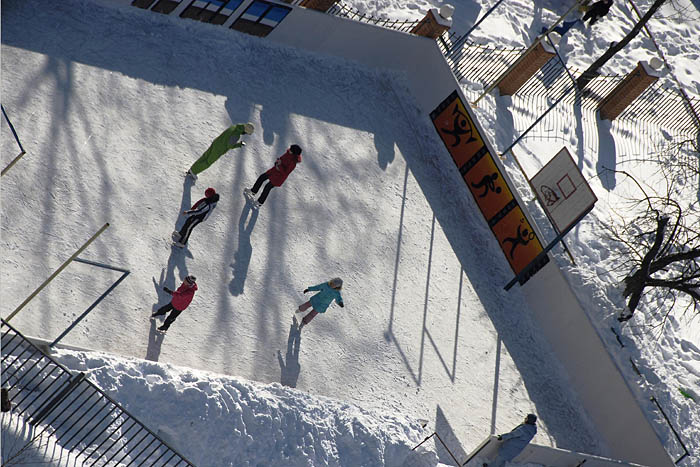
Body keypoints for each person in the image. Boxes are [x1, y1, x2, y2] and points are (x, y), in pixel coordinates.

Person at [186, 123, 254, 181]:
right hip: (220, 148)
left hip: (216, 142)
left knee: (205, 156)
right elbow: (230, 146)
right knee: (208, 161)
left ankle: (193, 168)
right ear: (245, 131)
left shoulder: (235, 126)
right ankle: (194, 171)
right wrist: (239, 144)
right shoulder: (236, 135)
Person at [244, 144, 302, 209]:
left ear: (294, 153)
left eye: (291, 150)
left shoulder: (293, 163)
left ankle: (259, 202)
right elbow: (280, 159)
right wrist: (277, 162)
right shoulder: (288, 153)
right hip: (273, 171)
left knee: (267, 187)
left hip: (279, 177)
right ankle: (253, 191)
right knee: (262, 177)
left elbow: (286, 173)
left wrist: (279, 166)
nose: (289, 150)